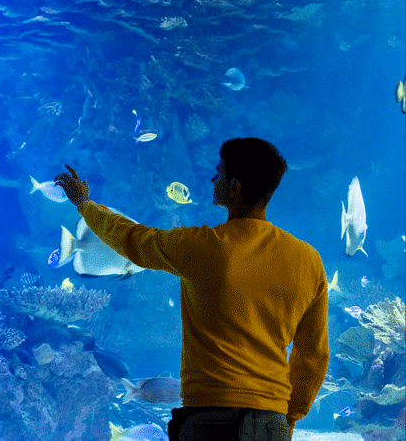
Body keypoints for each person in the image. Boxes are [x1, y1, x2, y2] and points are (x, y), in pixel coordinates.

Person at [54, 137, 329, 441]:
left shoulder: (202, 246)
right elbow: (313, 356)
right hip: (269, 419)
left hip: (207, 418)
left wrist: (85, 204)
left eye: (219, 172)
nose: (214, 179)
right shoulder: (308, 260)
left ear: (235, 187)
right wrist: (287, 418)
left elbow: (131, 238)